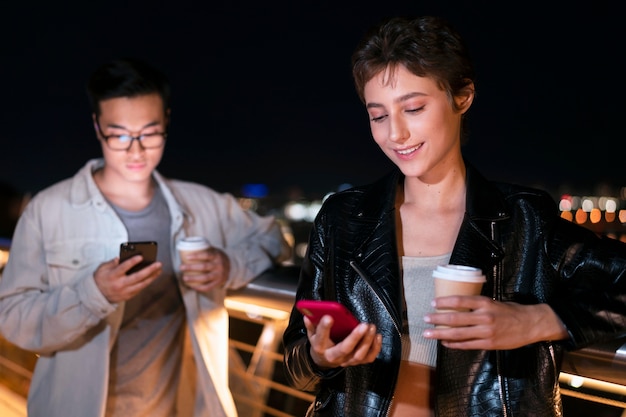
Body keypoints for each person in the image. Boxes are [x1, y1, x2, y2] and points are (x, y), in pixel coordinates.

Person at [282, 15, 626, 417]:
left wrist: (538, 322)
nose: (395, 134)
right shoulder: (342, 220)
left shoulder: (524, 220)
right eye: (378, 115)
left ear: (462, 97)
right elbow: (296, 364)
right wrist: (322, 356)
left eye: (412, 108)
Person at [0, 58, 290, 417]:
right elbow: (12, 317)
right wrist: (94, 294)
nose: (136, 150)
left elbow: (275, 236)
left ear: (166, 121)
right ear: (97, 127)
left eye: (150, 134)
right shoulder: (49, 209)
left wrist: (230, 265)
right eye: (119, 134)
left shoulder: (202, 205)